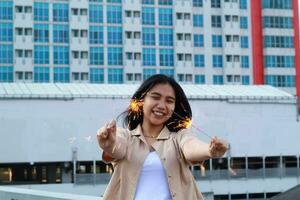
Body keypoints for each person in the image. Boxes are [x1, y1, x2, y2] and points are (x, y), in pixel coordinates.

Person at [97, 74, 228, 200]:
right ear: (141, 100)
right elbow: (117, 147)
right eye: (155, 97)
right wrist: (110, 143)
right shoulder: (125, 136)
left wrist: (209, 150)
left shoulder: (179, 137)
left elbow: (191, 147)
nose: (161, 105)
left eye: (169, 101)